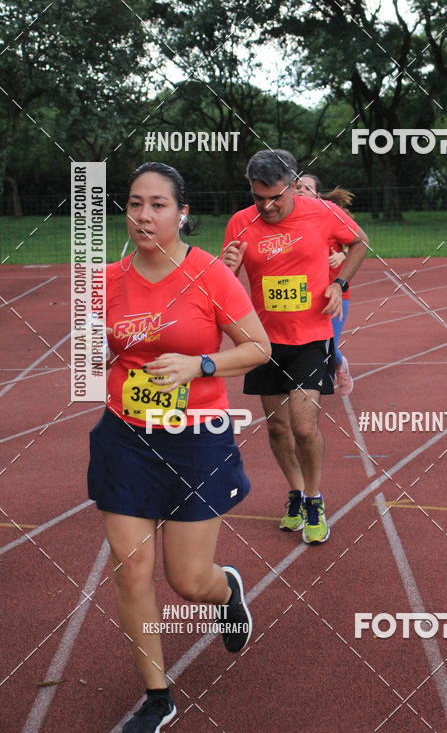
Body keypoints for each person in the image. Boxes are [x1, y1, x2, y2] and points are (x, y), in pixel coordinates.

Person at [88, 162, 270, 733]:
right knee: (131, 569)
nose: (143, 215)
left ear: (182, 213)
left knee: (187, 579)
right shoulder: (105, 281)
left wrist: (200, 363)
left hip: (195, 437)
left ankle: (227, 588)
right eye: (135, 203)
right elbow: (98, 356)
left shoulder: (210, 274)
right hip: (126, 435)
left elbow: (258, 348)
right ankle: (157, 696)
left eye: (158, 205)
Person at [221, 149, 369, 544]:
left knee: (304, 427)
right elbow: (225, 286)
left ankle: (315, 498)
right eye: (258, 198)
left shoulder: (321, 212)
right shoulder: (240, 222)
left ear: (291, 185)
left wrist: (339, 284)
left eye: (275, 197)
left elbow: (359, 242)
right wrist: (228, 265)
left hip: (309, 336)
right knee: (276, 427)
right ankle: (296, 492)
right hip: (262, 341)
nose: (267, 206)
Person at [296, 173, 355, 395]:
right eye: (298, 187)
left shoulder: (330, 216)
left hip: (336, 292)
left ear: (317, 194)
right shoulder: (290, 220)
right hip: (308, 292)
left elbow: (356, 241)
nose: (302, 190)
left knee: (329, 342)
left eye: (307, 188)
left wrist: (343, 254)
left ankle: (340, 364)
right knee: (311, 341)